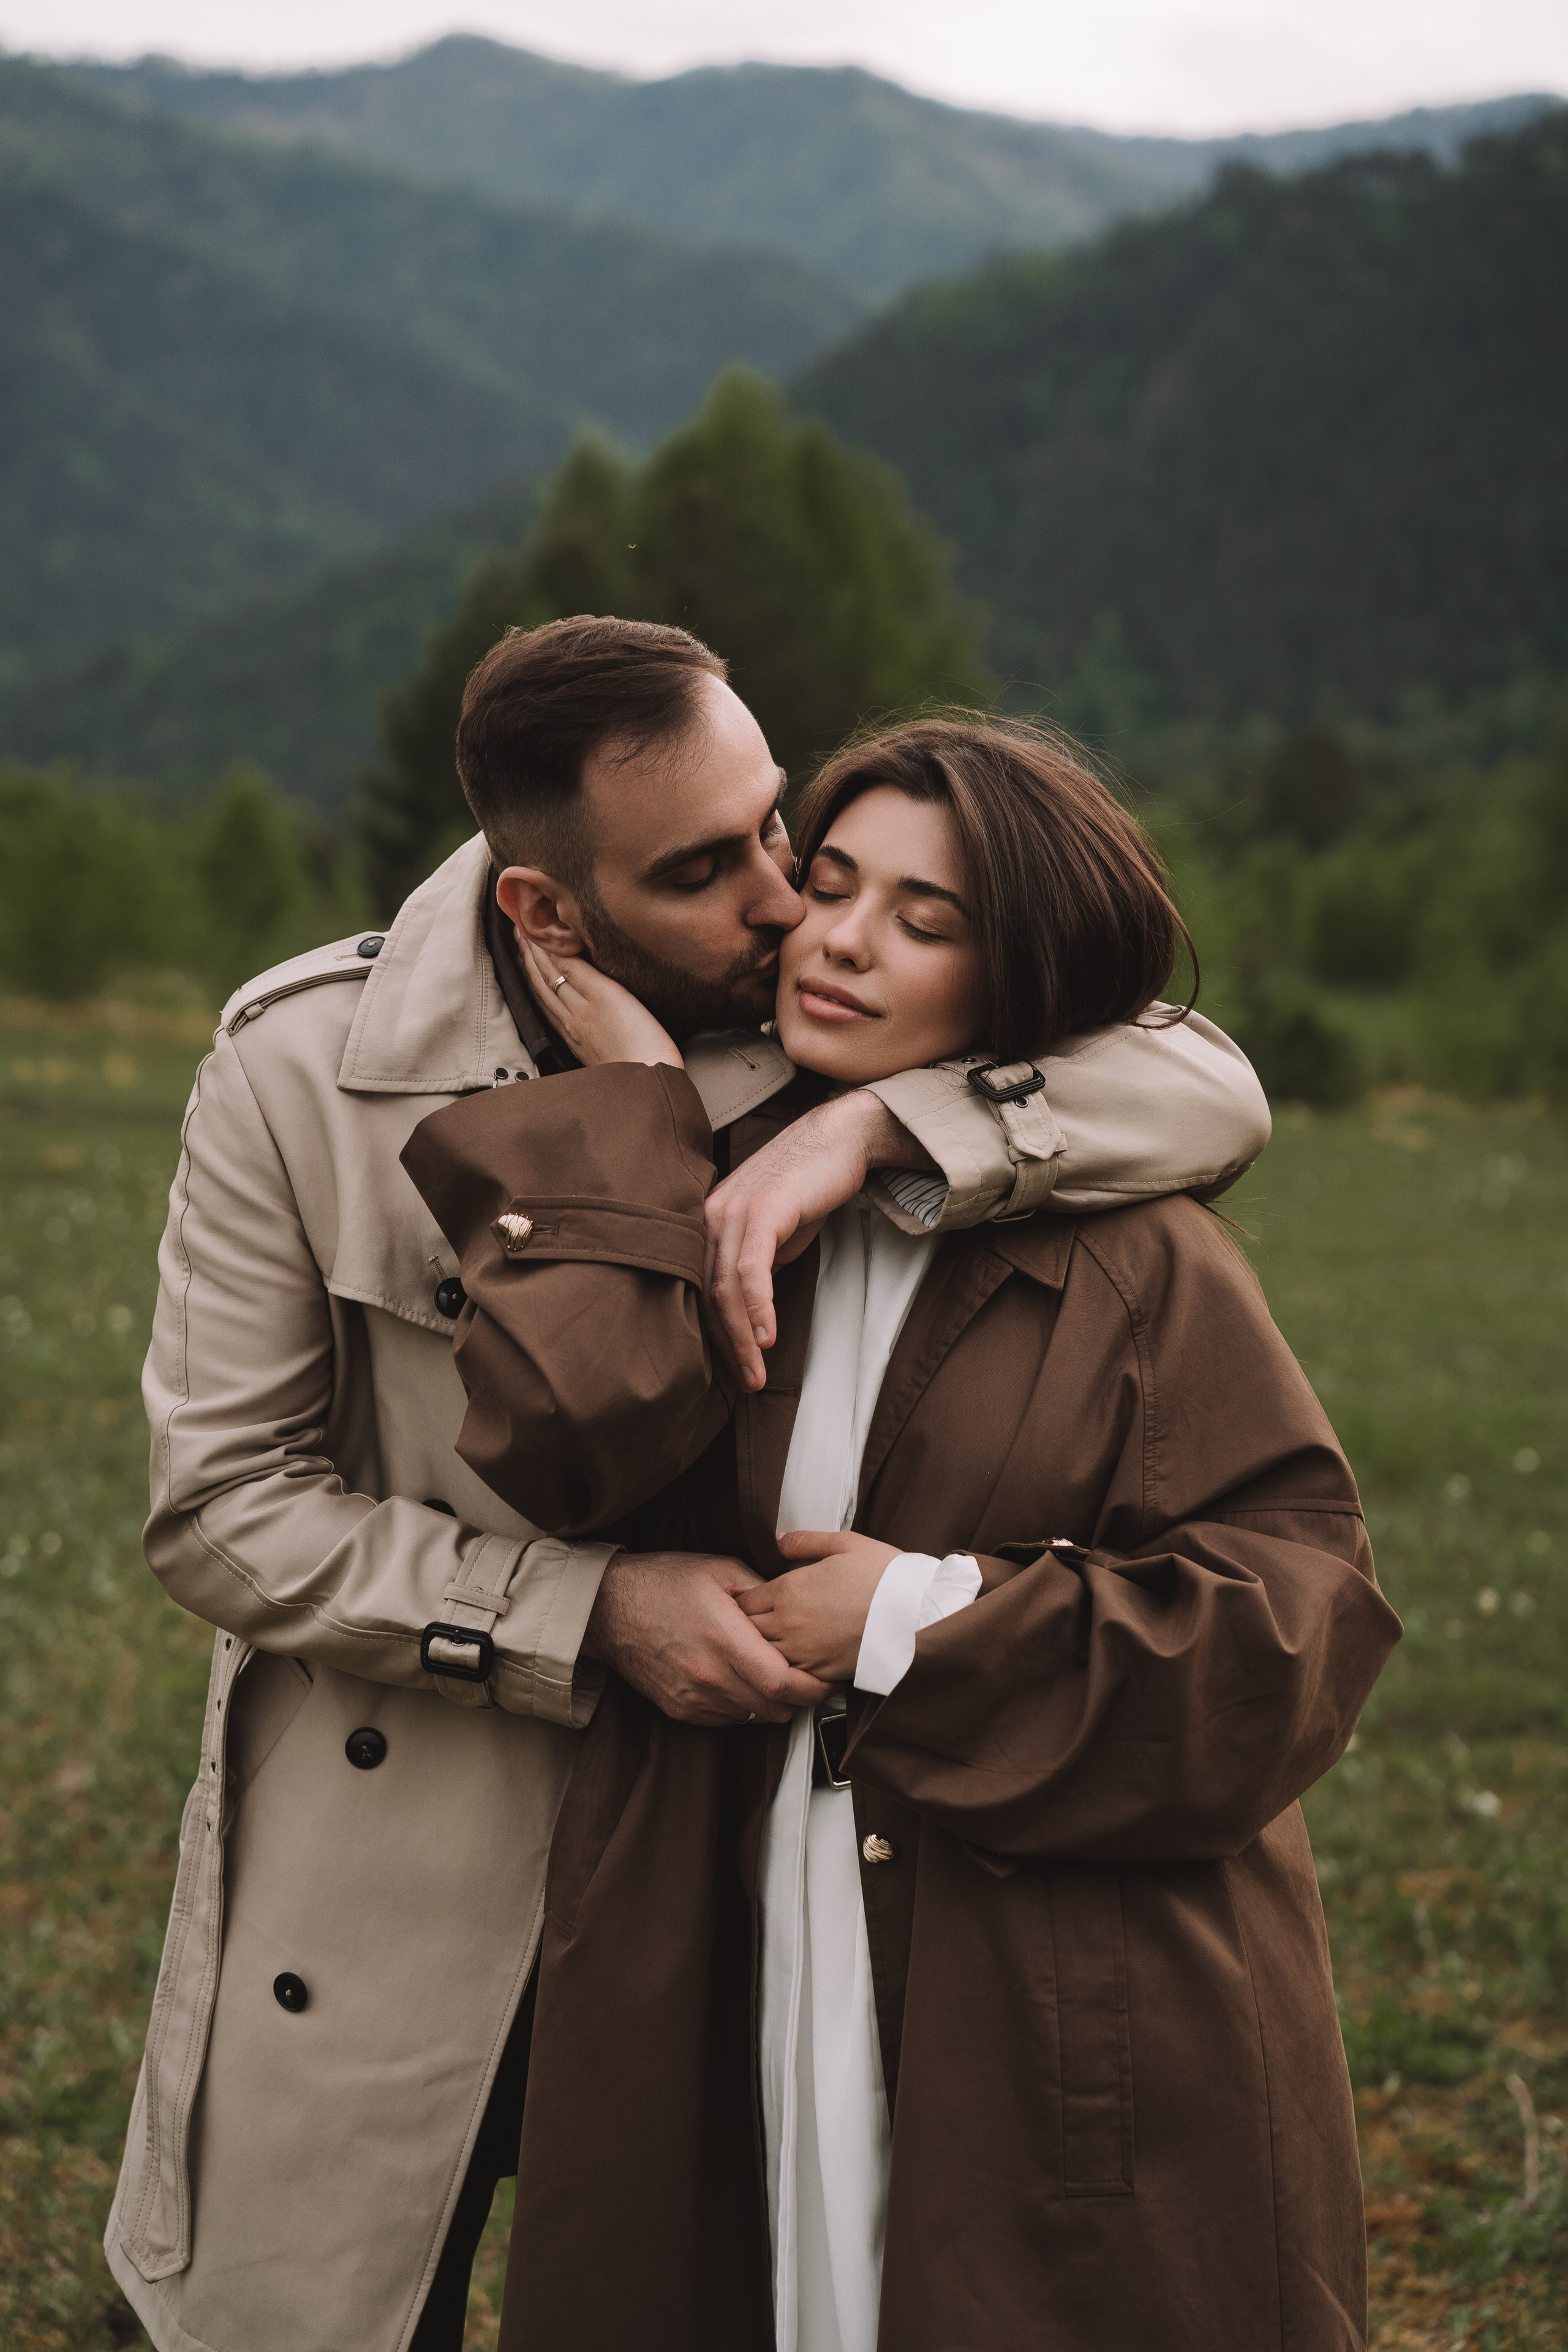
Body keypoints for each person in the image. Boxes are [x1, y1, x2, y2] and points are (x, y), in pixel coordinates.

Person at [105, 619, 1270, 2352]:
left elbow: (1204, 1079)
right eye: (707, 870)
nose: (791, 903)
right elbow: (219, 1505)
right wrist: (585, 1614)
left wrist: (878, 1130)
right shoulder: (299, 1069)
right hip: (404, 1825)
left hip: (729, 1836)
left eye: (776, 824)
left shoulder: (823, 1028)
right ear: (547, 916)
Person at [406, 713, 1401, 2352]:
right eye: (838, 881)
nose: (843, 941)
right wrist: (644, 1111)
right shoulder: (713, 1183)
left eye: (928, 922)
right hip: (726, 1917)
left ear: (1020, 983)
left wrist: (916, 1620)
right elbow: (566, 1449)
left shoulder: (1143, 1259)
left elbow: (1291, 1630)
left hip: (1039, 1966)